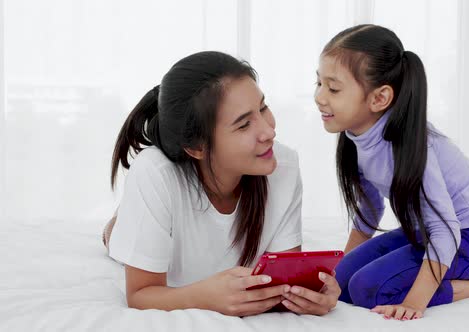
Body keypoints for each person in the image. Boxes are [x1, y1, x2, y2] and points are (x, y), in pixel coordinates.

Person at [104, 51, 340, 316]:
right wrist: (204, 298)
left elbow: (284, 282)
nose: (269, 131)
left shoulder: (282, 165)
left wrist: (313, 295)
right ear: (196, 147)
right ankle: (117, 224)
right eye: (243, 125)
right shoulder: (155, 172)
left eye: (263, 108)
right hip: (153, 203)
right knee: (117, 240)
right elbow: (140, 294)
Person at [314, 24, 469, 320]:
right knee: (344, 284)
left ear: (379, 98)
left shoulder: (411, 147)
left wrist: (415, 302)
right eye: (318, 83)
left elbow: (445, 229)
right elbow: (369, 207)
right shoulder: (358, 136)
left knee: (370, 291)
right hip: (424, 231)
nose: (319, 96)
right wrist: (339, 271)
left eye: (333, 88)